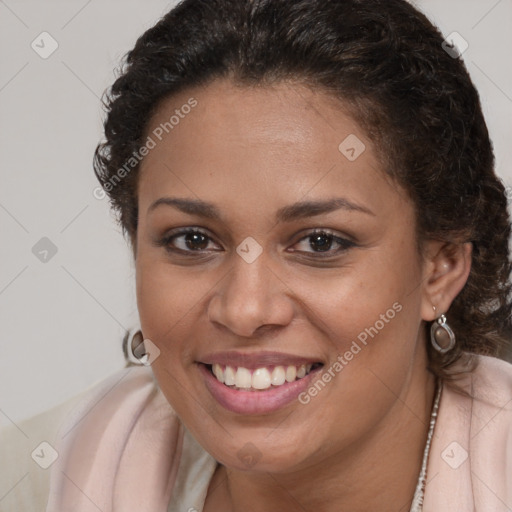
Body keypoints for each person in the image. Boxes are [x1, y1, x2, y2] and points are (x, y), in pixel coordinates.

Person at [2, 0, 512, 510]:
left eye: (320, 242)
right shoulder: (41, 477)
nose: (245, 311)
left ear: (440, 268)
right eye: (193, 240)